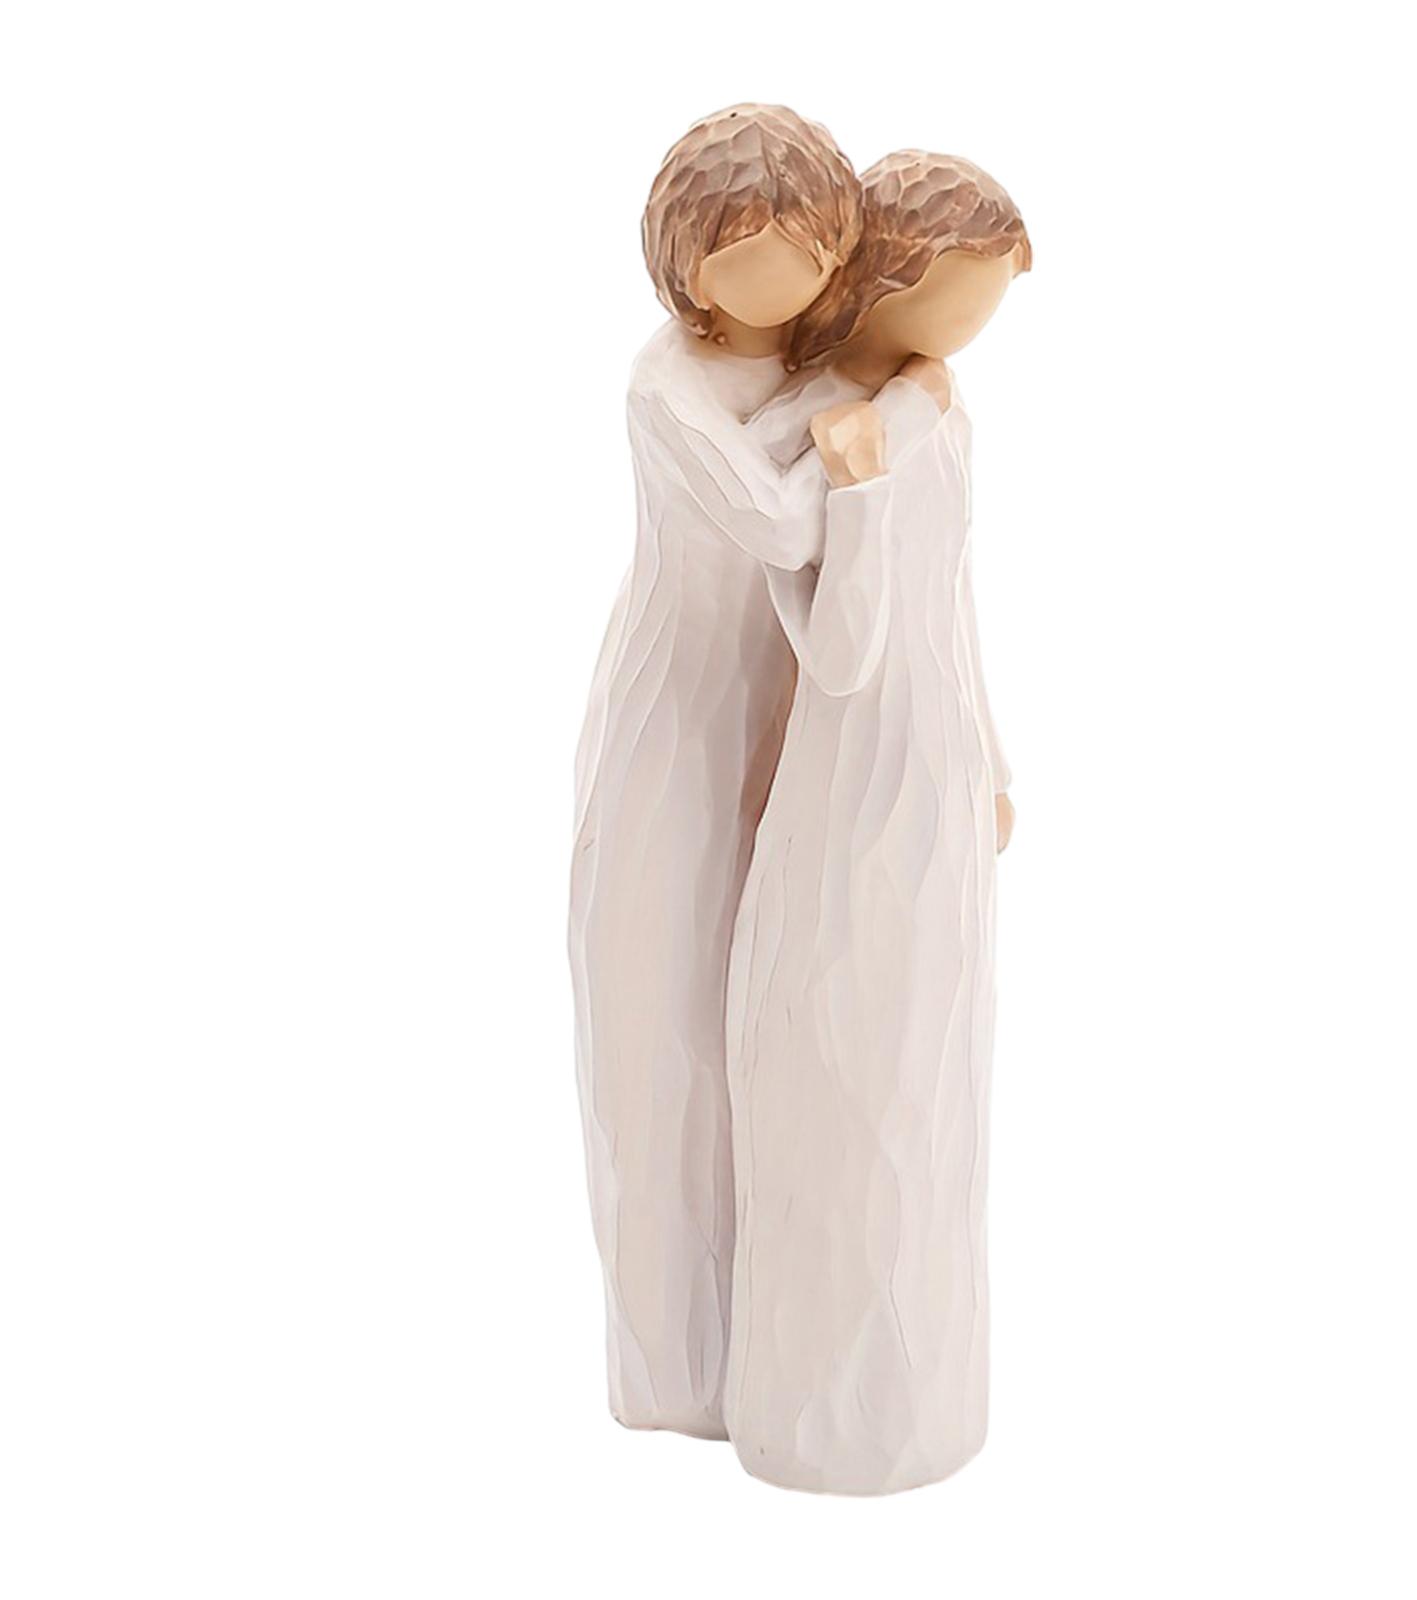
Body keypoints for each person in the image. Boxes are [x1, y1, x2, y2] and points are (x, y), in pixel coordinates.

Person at [570, 108, 944, 1439]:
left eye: (814, 247)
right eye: (758, 249)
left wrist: (876, 403)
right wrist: (877, 405)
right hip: (677, 727)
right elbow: (782, 521)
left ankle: (777, 1365)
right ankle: (676, 1375)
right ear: (692, 259)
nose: (793, 275)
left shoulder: (825, 370)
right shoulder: (666, 386)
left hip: (792, 714)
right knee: (660, 1040)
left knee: (777, 1045)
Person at [722, 152, 1030, 1492]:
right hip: (860, 788)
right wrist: (856, 486)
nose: (982, 326)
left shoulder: (933, 411)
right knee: (848, 1071)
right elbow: (840, 651)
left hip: (937, 776)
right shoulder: (828, 428)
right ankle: (827, 1412)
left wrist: (990, 750)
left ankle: (921, 1394)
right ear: (896, 283)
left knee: (932, 1083)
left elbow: (952, 609)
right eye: (972, 294)